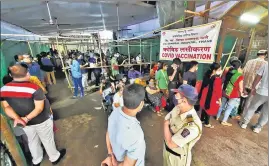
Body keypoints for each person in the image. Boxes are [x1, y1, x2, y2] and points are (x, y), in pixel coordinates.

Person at [0, 64, 66, 166]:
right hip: (41, 120)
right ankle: (54, 157)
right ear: (27, 73)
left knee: (32, 141)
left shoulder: (4, 90)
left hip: (24, 123)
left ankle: (37, 160)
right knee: (47, 139)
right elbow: (39, 108)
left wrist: (18, 119)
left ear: (11, 75)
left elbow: (6, 107)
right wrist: (26, 118)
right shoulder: (33, 88)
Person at [101, 84, 146, 166]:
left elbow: (108, 133)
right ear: (141, 104)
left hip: (116, 159)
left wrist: (110, 154)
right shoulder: (137, 135)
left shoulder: (114, 113)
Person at [163, 84, 202, 166]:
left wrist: (166, 125)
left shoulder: (192, 126)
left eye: (176, 96)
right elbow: (167, 118)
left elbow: (171, 143)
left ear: (184, 101)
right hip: (166, 150)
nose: (174, 97)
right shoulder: (178, 107)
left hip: (177, 159)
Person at [239, 62, 268, 133]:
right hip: (262, 92)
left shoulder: (266, 65)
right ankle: (258, 127)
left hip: (262, 91)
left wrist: (253, 87)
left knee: (252, 107)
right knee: (266, 112)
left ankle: (244, 123)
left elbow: (258, 77)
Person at [239, 50, 267, 116]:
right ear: (265, 55)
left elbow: (244, 72)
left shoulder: (249, 61)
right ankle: (244, 114)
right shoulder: (265, 64)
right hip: (256, 86)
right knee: (249, 101)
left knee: (242, 98)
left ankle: (239, 111)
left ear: (258, 54)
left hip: (245, 84)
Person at [216, 59, 244, 126]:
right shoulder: (240, 75)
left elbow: (222, 80)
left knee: (221, 105)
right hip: (233, 94)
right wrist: (241, 93)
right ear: (239, 66)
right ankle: (224, 121)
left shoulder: (227, 71)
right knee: (229, 108)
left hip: (225, 91)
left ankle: (217, 116)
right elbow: (240, 87)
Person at [199, 63, 222, 128]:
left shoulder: (206, 75)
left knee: (204, 107)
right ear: (214, 70)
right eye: (219, 69)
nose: (221, 70)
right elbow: (218, 91)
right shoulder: (217, 79)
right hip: (211, 96)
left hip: (204, 94)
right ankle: (207, 123)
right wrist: (220, 100)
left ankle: (202, 120)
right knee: (209, 108)